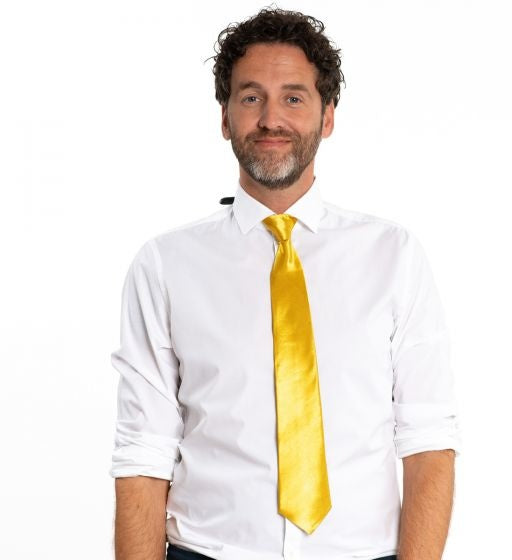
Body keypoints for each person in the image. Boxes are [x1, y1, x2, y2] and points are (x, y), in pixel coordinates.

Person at [109, 7, 461, 560]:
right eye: (251, 97)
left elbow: (428, 441)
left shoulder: (394, 256)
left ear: (328, 117)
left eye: (294, 98)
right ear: (225, 117)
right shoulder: (165, 265)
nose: (271, 118)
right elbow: (143, 452)